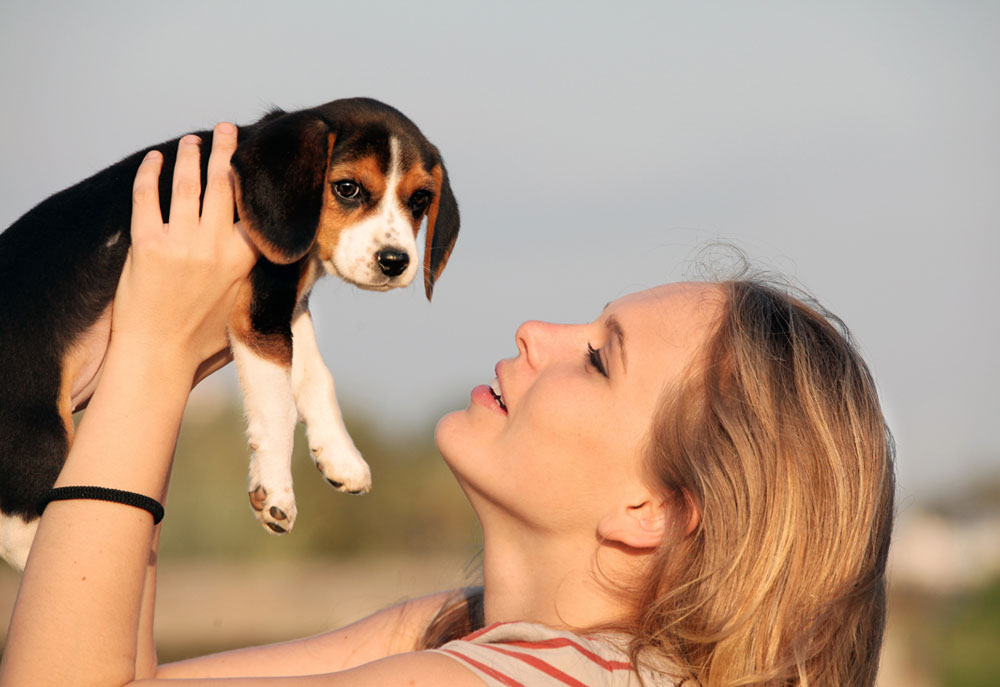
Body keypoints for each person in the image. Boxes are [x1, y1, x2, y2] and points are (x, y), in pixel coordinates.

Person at [0, 125, 895, 687]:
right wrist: (173, 356)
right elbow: (115, 673)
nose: (537, 331)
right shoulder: (467, 632)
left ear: (652, 511)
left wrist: (149, 353)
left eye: (598, 358)